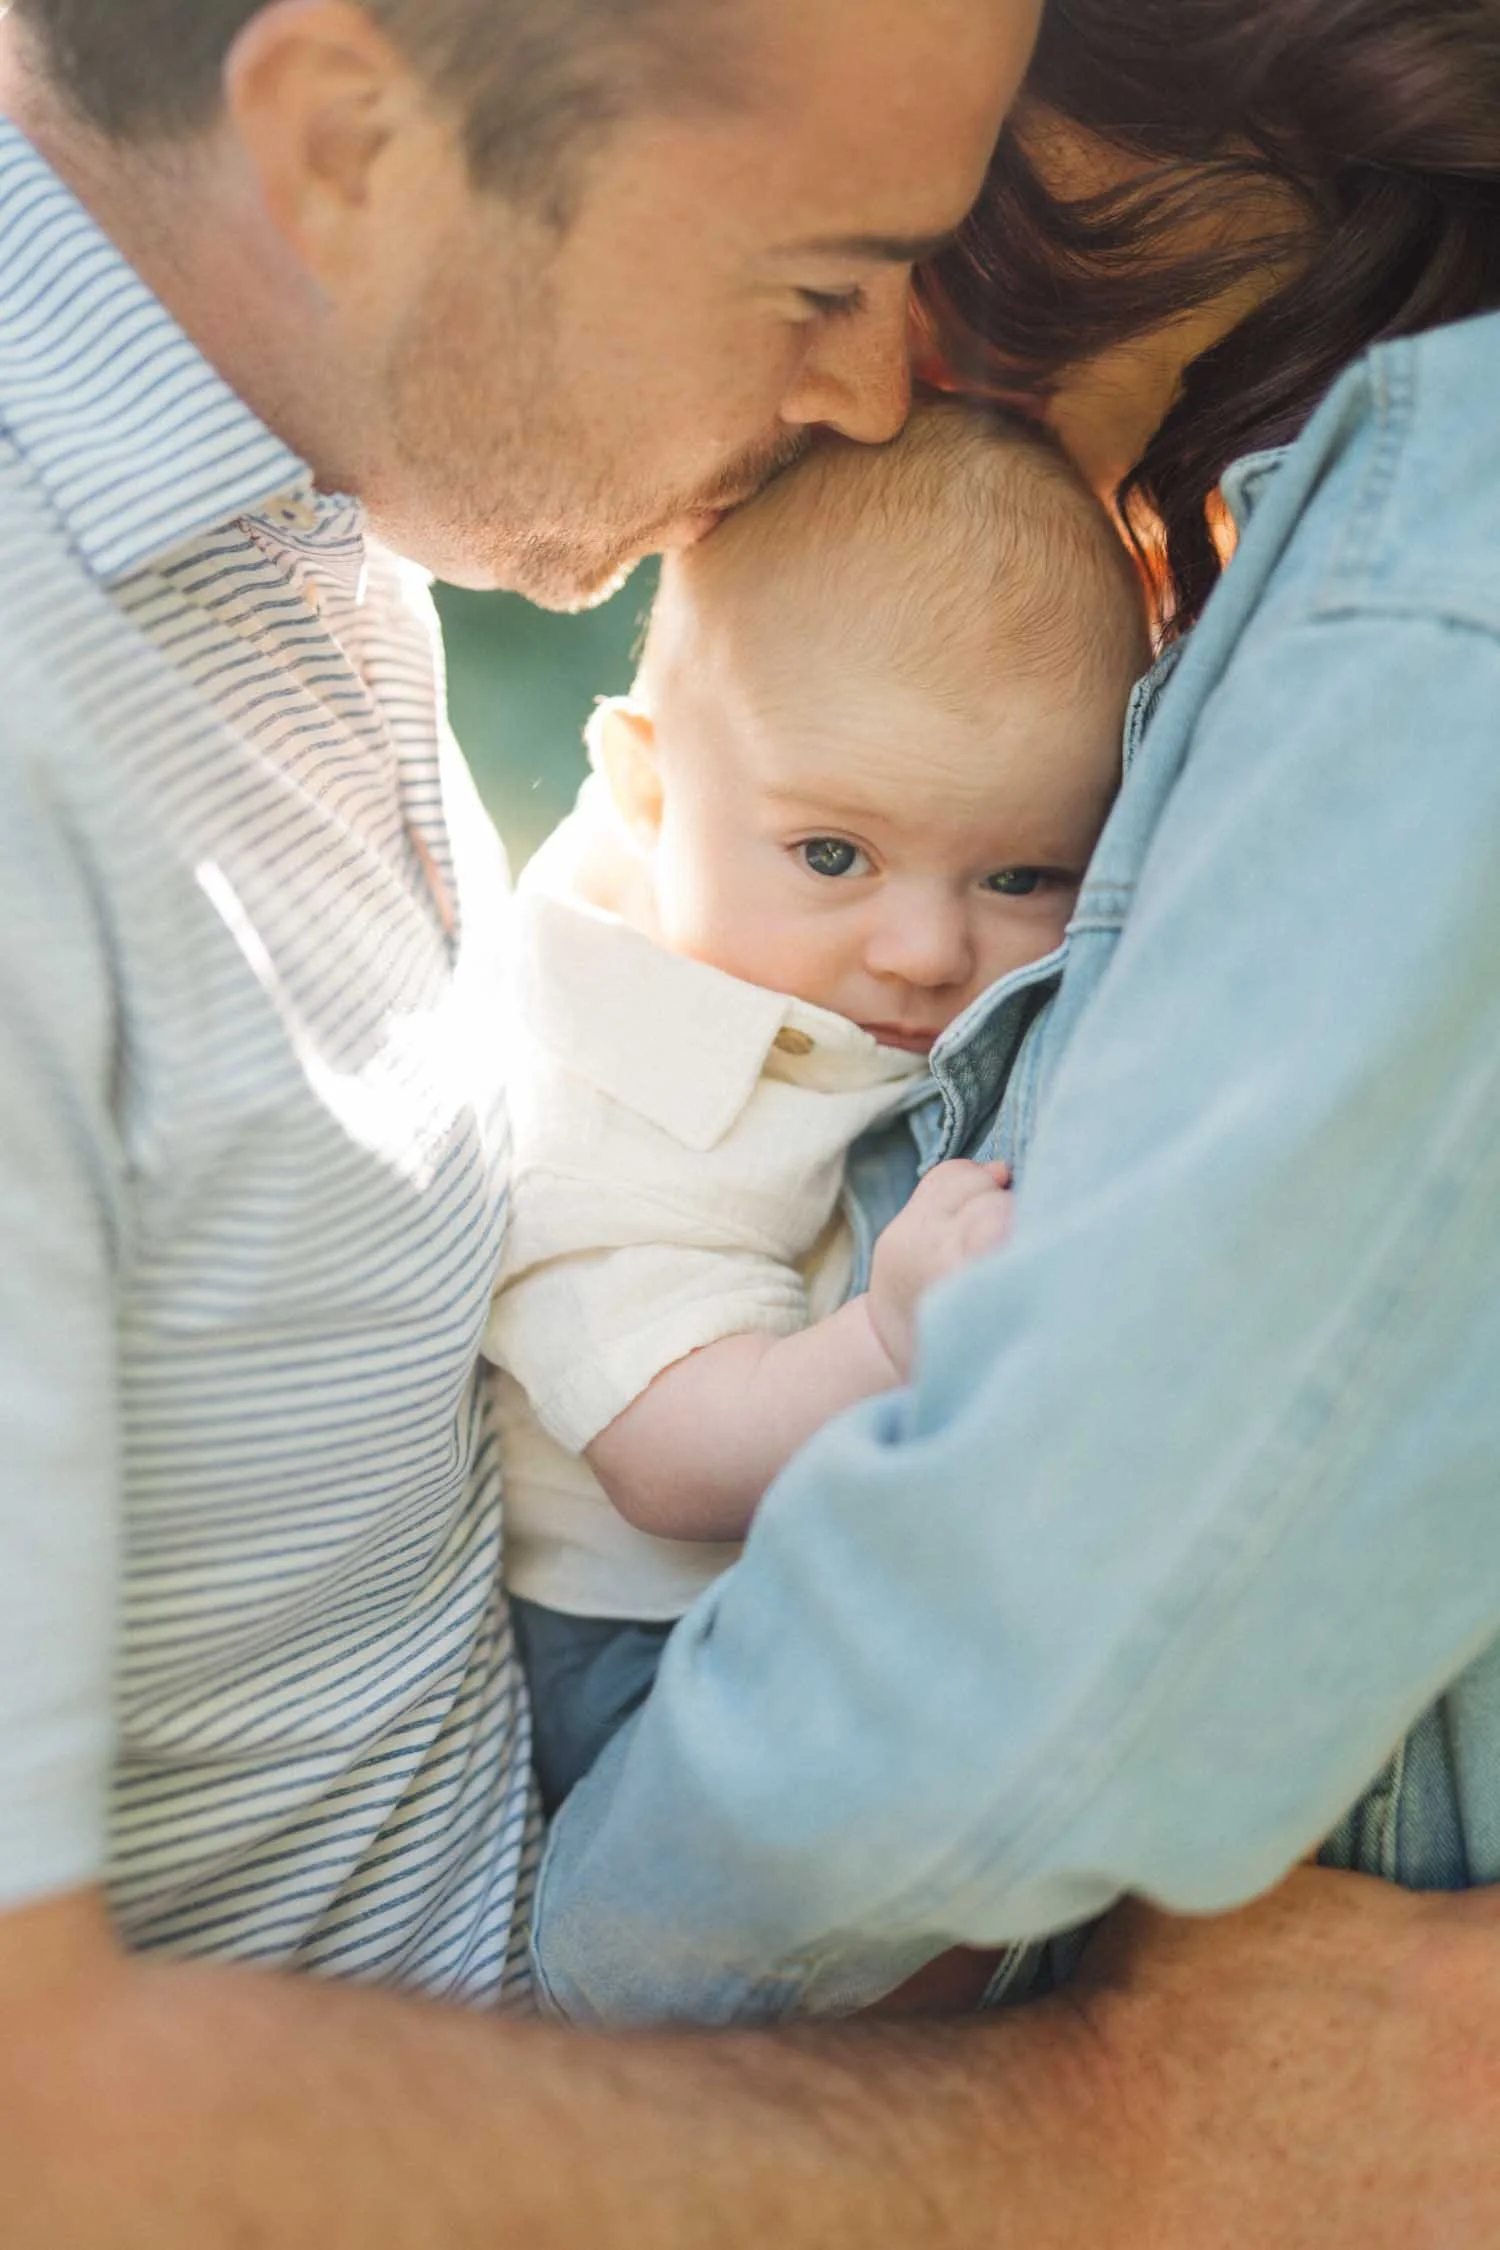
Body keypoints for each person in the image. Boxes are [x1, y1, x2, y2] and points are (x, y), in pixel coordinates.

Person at [0, 0, 1496, 2242]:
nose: (888, 391)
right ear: (346, 144)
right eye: (822, 280)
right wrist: (1141, 2148)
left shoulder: (306, 509)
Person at [522, 0, 1500, 2027]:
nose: (883, 370)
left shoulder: (1435, 593)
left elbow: (1065, 1607)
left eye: (942, 229)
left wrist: (597, 2019)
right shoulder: (605, 1025)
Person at [490, 402, 1144, 1812]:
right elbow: (665, 1457)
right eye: (834, 852)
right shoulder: (615, 1077)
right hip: (641, 1653)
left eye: (1023, 875)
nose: (922, 948)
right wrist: (887, 1337)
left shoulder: (802, 964)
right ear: (650, 790)